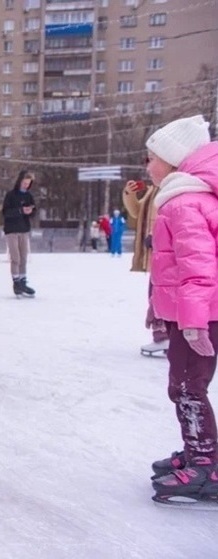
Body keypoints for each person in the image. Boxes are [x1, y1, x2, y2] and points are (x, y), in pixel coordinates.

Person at [145, 114, 218, 503]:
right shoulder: (184, 199)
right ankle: (199, 453)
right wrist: (160, 308)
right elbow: (171, 271)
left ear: (173, 161)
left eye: (151, 157)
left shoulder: (185, 203)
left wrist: (193, 324)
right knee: (186, 386)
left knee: (189, 388)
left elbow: (199, 269)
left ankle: (205, 465)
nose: (147, 166)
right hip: (194, 314)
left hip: (201, 316)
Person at [122, 178, 169, 356]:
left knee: (161, 292)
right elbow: (137, 213)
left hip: (165, 250)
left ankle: (165, 336)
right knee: (155, 292)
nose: (148, 168)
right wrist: (130, 194)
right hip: (156, 250)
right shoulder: (154, 189)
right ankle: (163, 336)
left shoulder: (170, 187)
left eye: (152, 161)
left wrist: (157, 236)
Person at [2, 170, 36, 297]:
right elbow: (6, 212)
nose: (26, 185)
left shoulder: (29, 196)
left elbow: (34, 210)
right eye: (25, 182)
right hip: (11, 230)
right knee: (15, 257)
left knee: (23, 258)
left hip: (24, 229)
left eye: (28, 183)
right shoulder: (11, 195)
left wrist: (30, 211)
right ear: (20, 181)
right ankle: (16, 282)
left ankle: (23, 282)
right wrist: (21, 211)